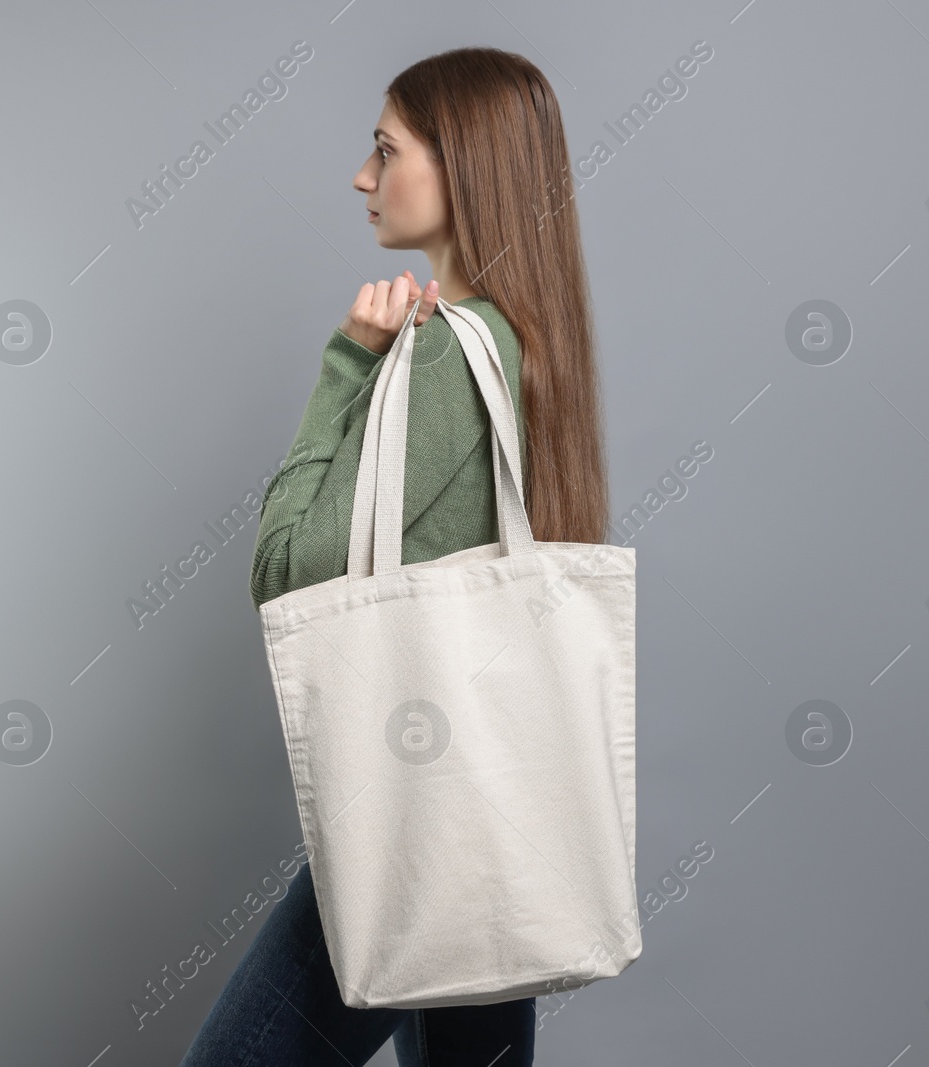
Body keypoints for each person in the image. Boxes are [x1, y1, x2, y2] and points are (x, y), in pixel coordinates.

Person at [180, 45, 611, 1067]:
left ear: (461, 166)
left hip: (419, 822)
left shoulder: (447, 352)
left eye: (385, 150)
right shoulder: (523, 340)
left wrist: (346, 365)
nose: (360, 177)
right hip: (488, 812)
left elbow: (283, 570)